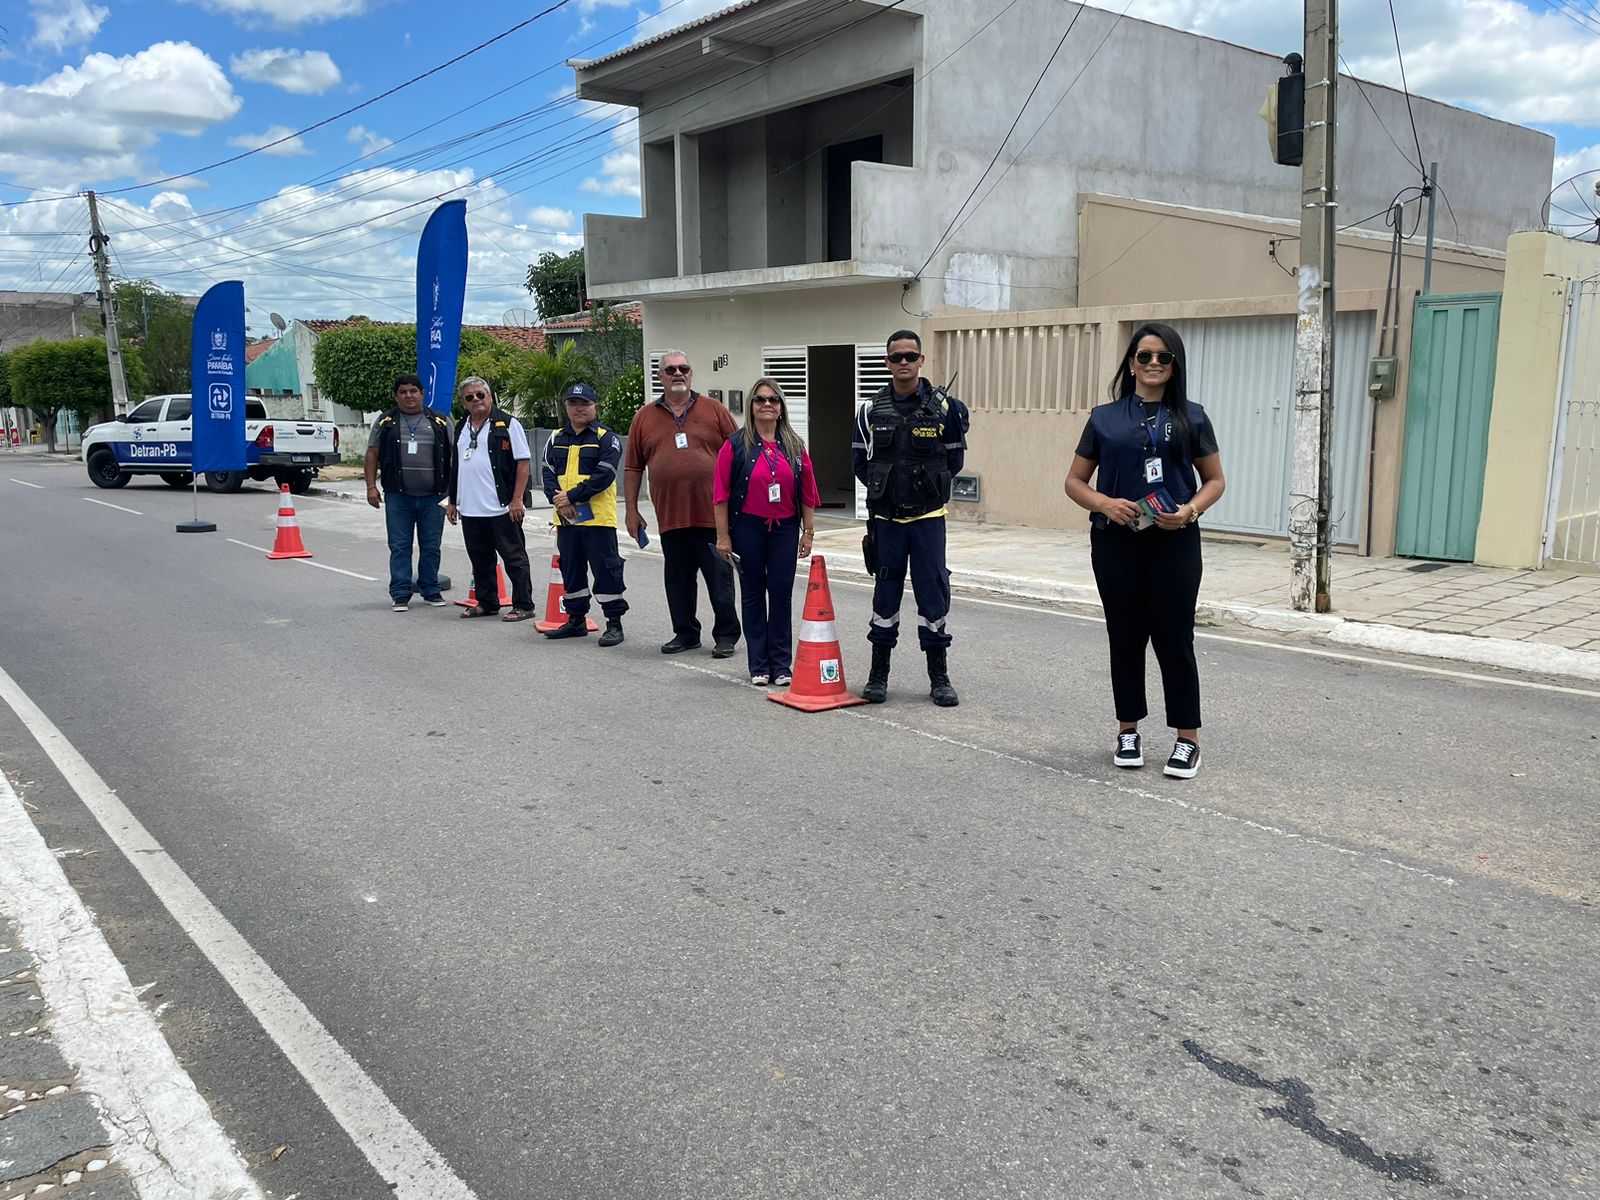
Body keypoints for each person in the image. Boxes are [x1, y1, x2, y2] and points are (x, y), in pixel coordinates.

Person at [1063, 321, 1226, 779]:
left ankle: (1187, 739)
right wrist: (1103, 503)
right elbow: (1074, 482)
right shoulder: (1104, 417)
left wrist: (1190, 511)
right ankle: (1127, 730)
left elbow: (1215, 481)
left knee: (1175, 640)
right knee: (1126, 637)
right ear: (1131, 363)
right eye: (1144, 356)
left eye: (1163, 357)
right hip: (1116, 543)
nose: (1153, 363)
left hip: (1174, 543)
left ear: (1174, 366)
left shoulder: (1192, 417)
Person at [852, 330, 970, 707]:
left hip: (928, 522)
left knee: (932, 597)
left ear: (921, 361)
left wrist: (923, 491)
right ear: (887, 362)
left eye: (910, 356)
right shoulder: (870, 410)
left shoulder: (946, 409)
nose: (903, 362)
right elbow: (860, 464)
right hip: (886, 523)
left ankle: (939, 677)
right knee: (884, 598)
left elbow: (954, 461)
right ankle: (878, 675)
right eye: (896, 357)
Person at [623, 350, 740, 656]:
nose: (678, 373)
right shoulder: (644, 418)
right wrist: (632, 510)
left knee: (720, 579)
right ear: (660, 376)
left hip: (712, 516)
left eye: (683, 368)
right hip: (670, 517)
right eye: (670, 369)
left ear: (691, 374)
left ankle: (726, 635)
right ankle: (686, 633)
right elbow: (634, 467)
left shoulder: (714, 410)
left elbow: (740, 454)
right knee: (677, 581)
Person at [713, 378, 820, 686]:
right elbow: (720, 495)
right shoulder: (734, 445)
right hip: (748, 528)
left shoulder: (795, 446)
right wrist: (723, 536)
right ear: (752, 406)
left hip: (785, 529)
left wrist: (808, 532)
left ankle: (782, 665)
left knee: (781, 593)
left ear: (781, 406)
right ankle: (759, 664)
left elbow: (808, 494)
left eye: (773, 400)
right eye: (760, 400)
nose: (767, 405)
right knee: (752, 594)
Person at [541, 382, 628, 646]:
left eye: (585, 404)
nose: (579, 409)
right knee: (571, 569)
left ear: (595, 407)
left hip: (598, 520)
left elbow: (605, 474)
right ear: (566, 407)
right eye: (573, 404)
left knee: (606, 571)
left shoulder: (606, 437)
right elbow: (546, 471)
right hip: (566, 519)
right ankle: (576, 620)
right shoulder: (556, 437)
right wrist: (559, 501)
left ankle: (614, 624)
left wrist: (572, 496)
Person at [445, 377, 535, 622]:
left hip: (501, 506)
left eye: (480, 395)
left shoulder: (507, 424)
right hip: (471, 509)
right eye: (469, 397)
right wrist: (452, 500)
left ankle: (524, 604)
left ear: (490, 395)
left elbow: (523, 462)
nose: (476, 400)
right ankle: (487, 602)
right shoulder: (462, 426)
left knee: (514, 559)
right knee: (480, 558)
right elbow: (457, 467)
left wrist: (517, 499)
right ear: (463, 403)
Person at [365, 373, 453, 611]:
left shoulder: (440, 421)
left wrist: (454, 494)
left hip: (434, 497)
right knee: (400, 545)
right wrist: (371, 486)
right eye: (403, 392)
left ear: (422, 394)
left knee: (431, 545)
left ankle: (431, 590)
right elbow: (372, 453)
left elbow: (455, 456)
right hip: (398, 496)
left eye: (413, 391)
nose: (409, 396)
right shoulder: (385, 422)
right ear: (396, 396)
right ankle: (401, 593)